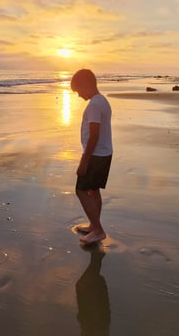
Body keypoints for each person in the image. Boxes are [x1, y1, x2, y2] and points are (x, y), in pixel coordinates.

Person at [70, 69, 112, 245]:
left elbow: (94, 135)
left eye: (78, 90)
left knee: (81, 190)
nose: (79, 95)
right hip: (104, 152)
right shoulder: (102, 100)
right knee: (94, 191)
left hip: (95, 155)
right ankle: (95, 227)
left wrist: (84, 162)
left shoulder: (94, 105)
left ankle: (98, 230)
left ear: (86, 84)